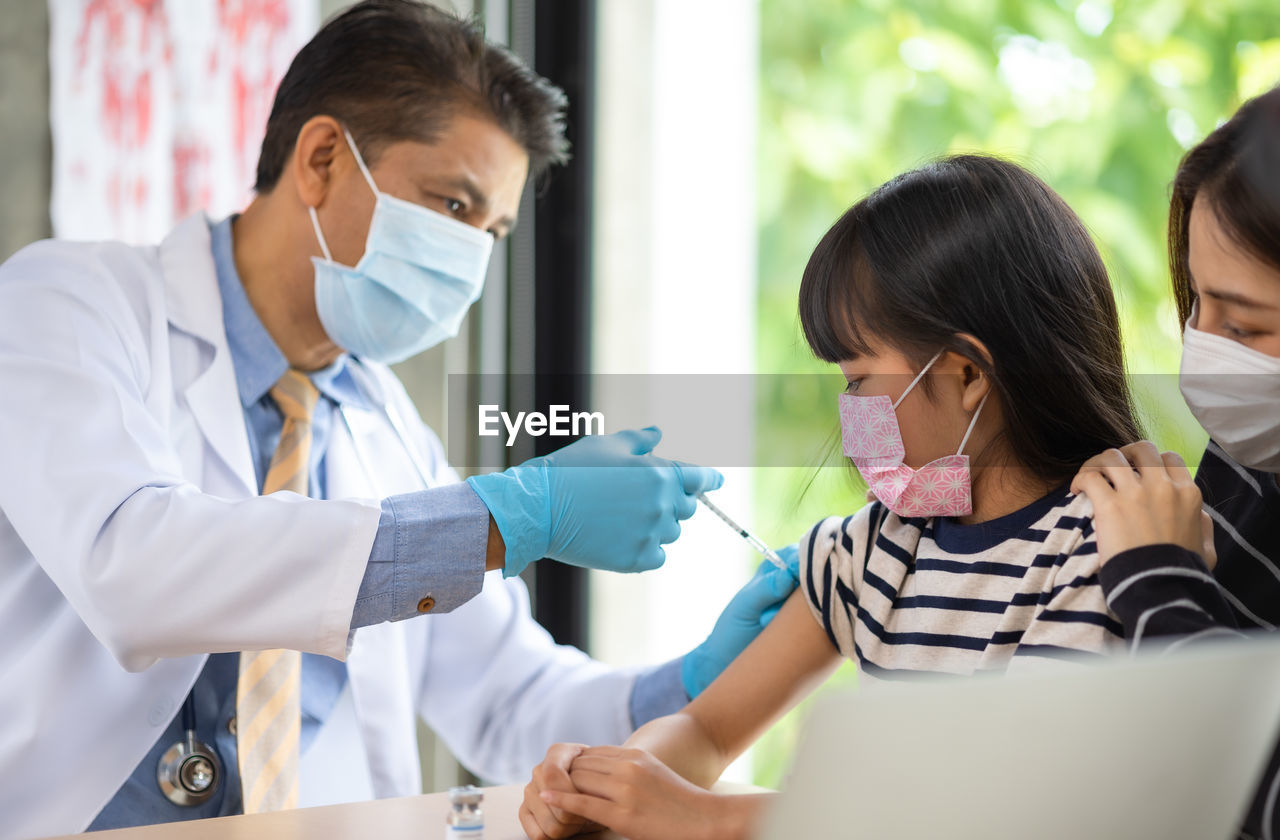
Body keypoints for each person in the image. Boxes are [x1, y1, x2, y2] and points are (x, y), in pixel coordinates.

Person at [0, 2, 795, 836]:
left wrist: (700, 683)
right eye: (454, 206)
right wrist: (504, 518)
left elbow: (512, 700)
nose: (473, 257)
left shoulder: (382, 425)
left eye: (493, 230)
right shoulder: (68, 305)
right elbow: (131, 565)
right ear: (320, 160)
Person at [518, 154, 1149, 840]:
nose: (850, 413)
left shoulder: (1107, 548)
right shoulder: (874, 548)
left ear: (968, 373)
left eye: (857, 379)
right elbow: (704, 729)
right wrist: (607, 786)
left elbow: (996, 812)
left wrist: (710, 819)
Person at [1070, 84, 1280, 840]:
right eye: (1196, 305)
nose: (1206, 350)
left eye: (1246, 326)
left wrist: (1157, 573)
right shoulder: (1255, 453)